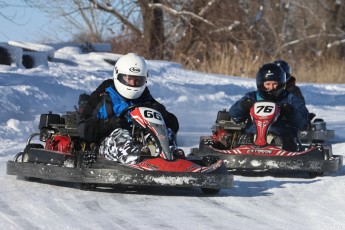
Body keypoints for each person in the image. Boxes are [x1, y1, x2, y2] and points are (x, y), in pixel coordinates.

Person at [77, 53, 181, 164]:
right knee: (120, 135)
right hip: (107, 144)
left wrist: (161, 115)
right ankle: (138, 161)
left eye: (137, 80)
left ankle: (174, 159)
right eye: (129, 79)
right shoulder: (102, 96)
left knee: (166, 133)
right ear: (118, 75)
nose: (133, 84)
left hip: (141, 144)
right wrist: (109, 124)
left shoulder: (146, 99)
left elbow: (173, 125)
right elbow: (84, 128)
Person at [229, 63, 309, 151]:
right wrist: (242, 106)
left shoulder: (290, 99)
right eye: (268, 84)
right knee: (244, 137)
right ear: (261, 84)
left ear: (281, 83)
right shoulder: (252, 97)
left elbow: (303, 122)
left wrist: (290, 111)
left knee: (286, 139)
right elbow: (234, 115)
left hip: (282, 137)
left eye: (275, 84)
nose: (271, 88)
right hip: (252, 136)